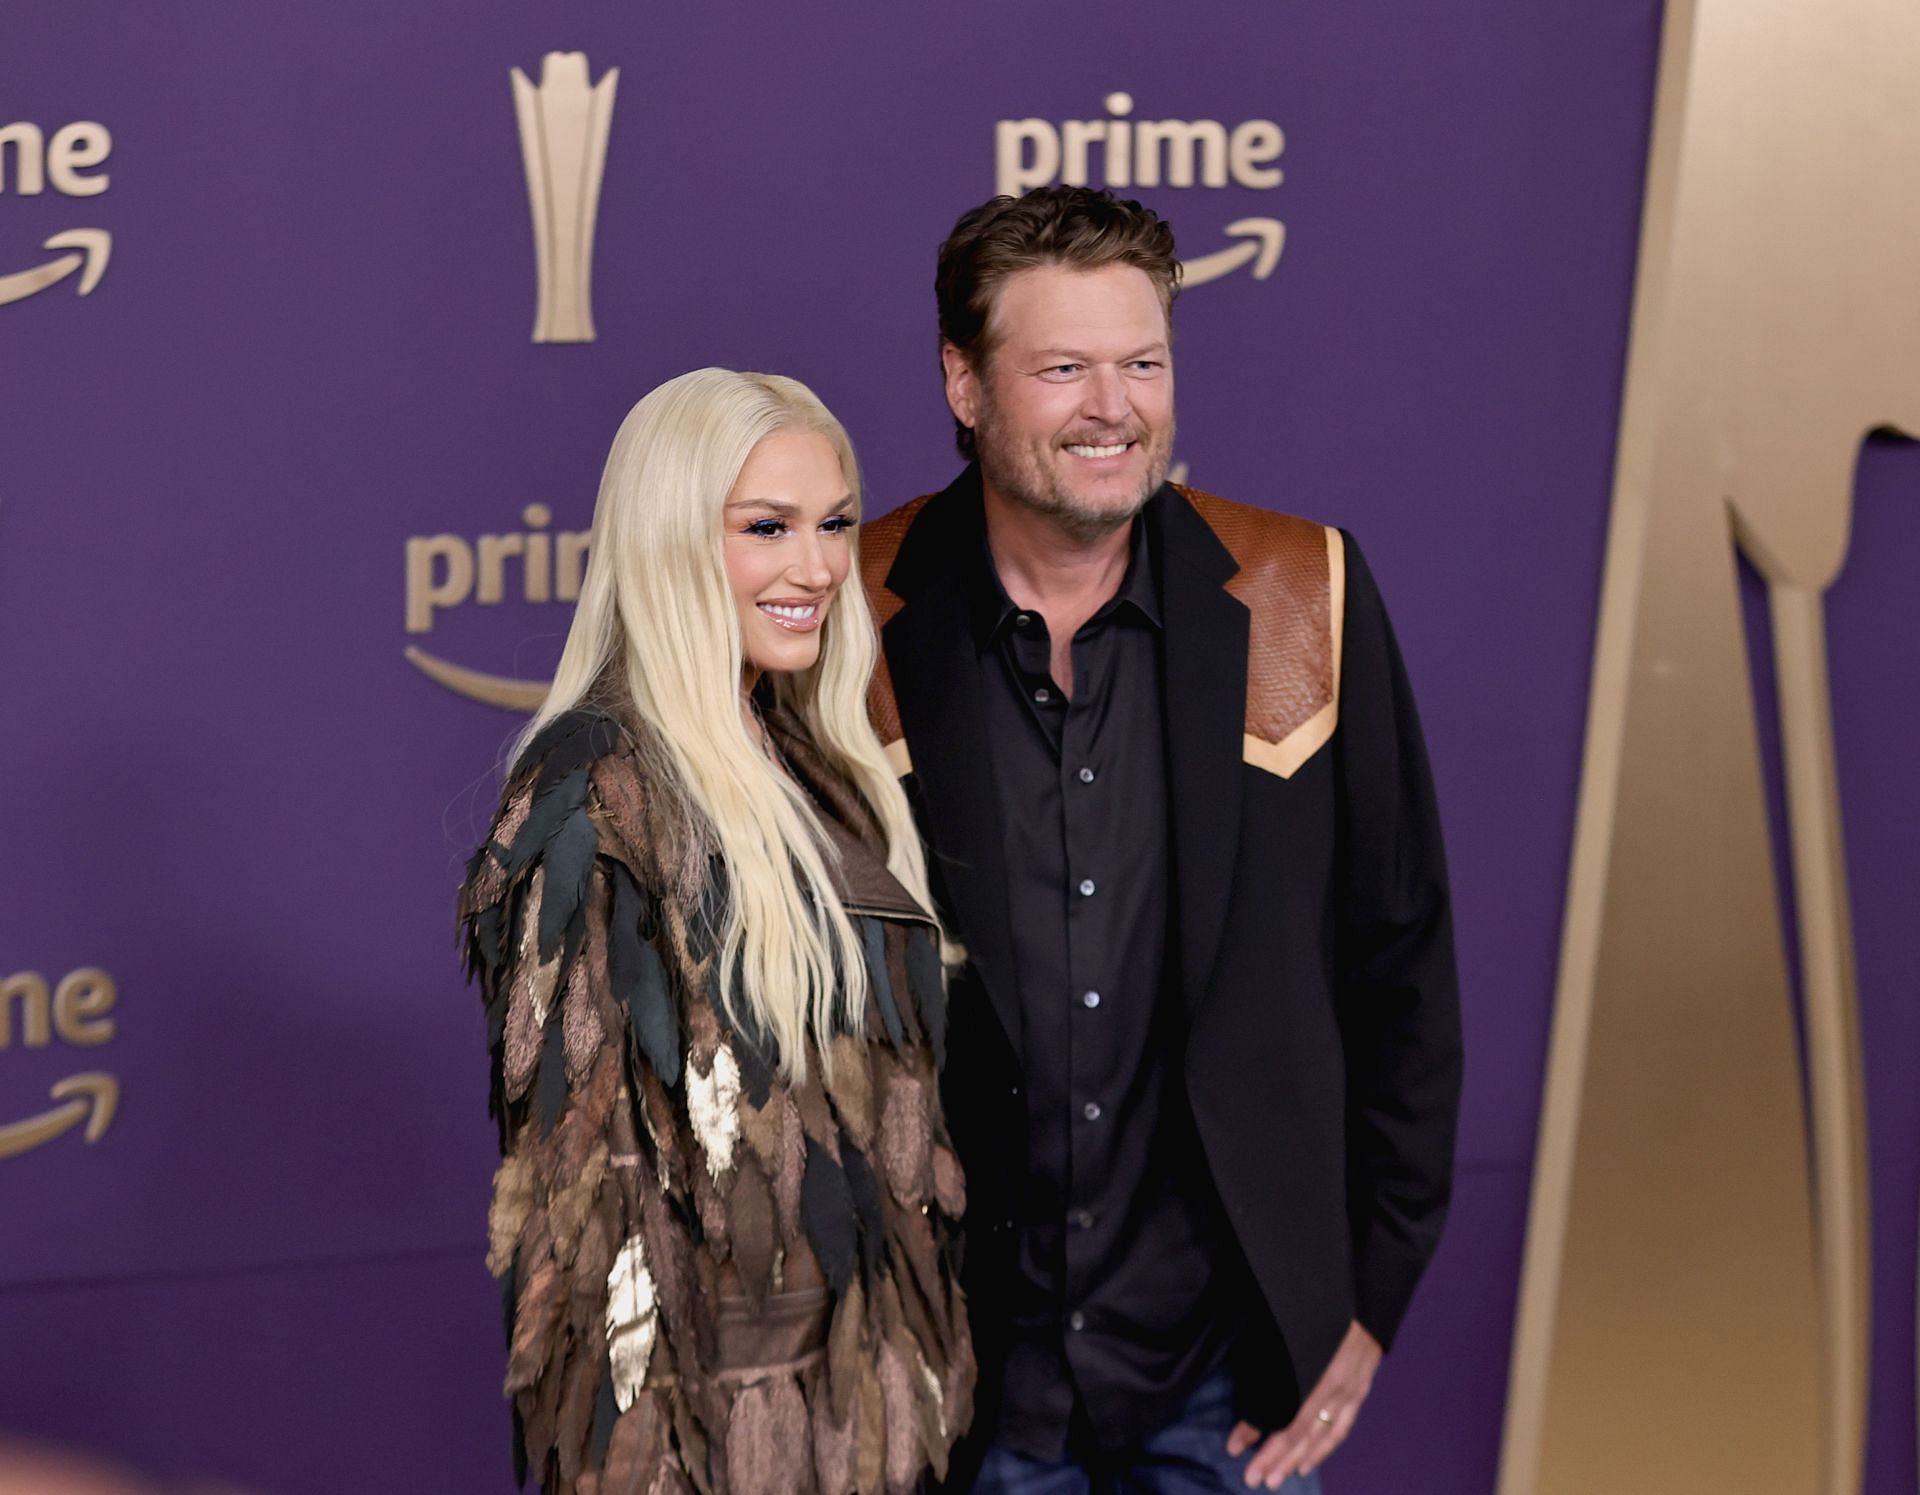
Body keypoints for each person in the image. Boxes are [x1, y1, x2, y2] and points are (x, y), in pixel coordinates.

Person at [857, 188, 1463, 1494]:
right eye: (1063, 367)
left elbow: (1402, 965)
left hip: (1228, 1389)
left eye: (1143, 362)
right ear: (964, 383)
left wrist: (1367, 1293)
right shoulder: (848, 618)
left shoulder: (1309, 593)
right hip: (958, 1389)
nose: (1113, 406)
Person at [459, 369, 974, 1495]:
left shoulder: (823, 768)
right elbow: (587, 1231)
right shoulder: (594, 795)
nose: (818, 566)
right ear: (669, 540)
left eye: (834, 522)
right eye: (767, 528)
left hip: (873, 1436)